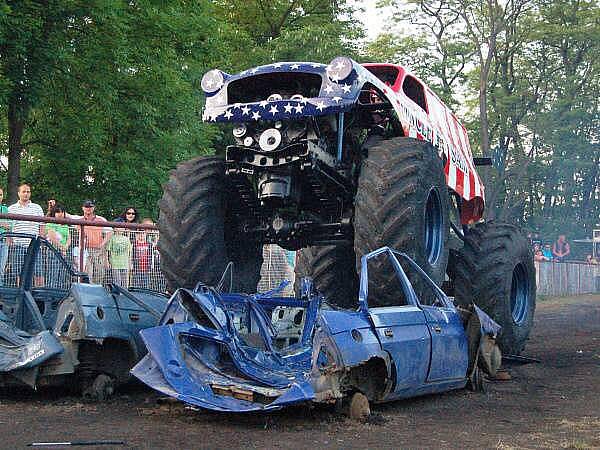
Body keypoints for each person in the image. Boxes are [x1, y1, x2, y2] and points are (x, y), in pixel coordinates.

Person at [8, 183, 45, 285]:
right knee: (20, 274)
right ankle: (21, 298)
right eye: (24, 191)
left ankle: (39, 298)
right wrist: (10, 242)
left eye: (28, 192)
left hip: (34, 246)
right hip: (18, 245)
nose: (26, 194)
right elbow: (9, 227)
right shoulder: (11, 209)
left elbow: (42, 226)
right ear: (19, 193)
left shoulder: (37, 207)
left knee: (38, 273)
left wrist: (40, 242)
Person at [81, 200, 112, 284]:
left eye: (90, 207)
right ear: (83, 208)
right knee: (88, 272)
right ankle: (90, 291)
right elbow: (67, 216)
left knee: (99, 273)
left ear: (93, 208)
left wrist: (102, 244)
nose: (88, 209)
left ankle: (97, 291)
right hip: (86, 250)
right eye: (86, 207)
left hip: (98, 251)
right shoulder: (79, 220)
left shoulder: (100, 219)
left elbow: (110, 232)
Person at [45, 204, 71, 287]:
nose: (60, 214)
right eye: (57, 212)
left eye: (62, 212)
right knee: (53, 274)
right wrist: (62, 248)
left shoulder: (65, 225)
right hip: (53, 251)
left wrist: (66, 247)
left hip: (64, 252)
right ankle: (50, 295)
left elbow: (69, 238)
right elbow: (52, 237)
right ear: (54, 213)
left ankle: (60, 294)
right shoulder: (50, 223)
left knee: (62, 275)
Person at [132, 218, 153, 288]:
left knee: (146, 285)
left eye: (143, 234)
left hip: (146, 269)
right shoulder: (134, 244)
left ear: (145, 235)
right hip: (137, 269)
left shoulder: (149, 244)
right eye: (139, 234)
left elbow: (150, 257)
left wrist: (150, 267)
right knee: (136, 285)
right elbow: (132, 256)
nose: (141, 236)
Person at [0, 188, 10, 285]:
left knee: (1, 269)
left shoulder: (5, 209)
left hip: (3, 241)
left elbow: (8, 226)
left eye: (1, 194)